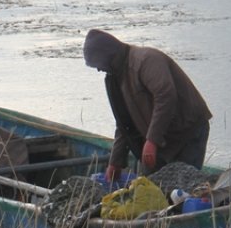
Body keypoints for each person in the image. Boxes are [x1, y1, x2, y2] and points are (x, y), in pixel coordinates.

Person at [82, 29, 213, 181]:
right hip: (161, 139)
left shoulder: (146, 60)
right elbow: (124, 124)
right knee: (149, 187)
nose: (99, 69)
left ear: (109, 56)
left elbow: (165, 97)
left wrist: (152, 140)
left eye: (99, 63)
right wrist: (115, 162)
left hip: (187, 131)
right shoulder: (115, 78)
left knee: (183, 185)